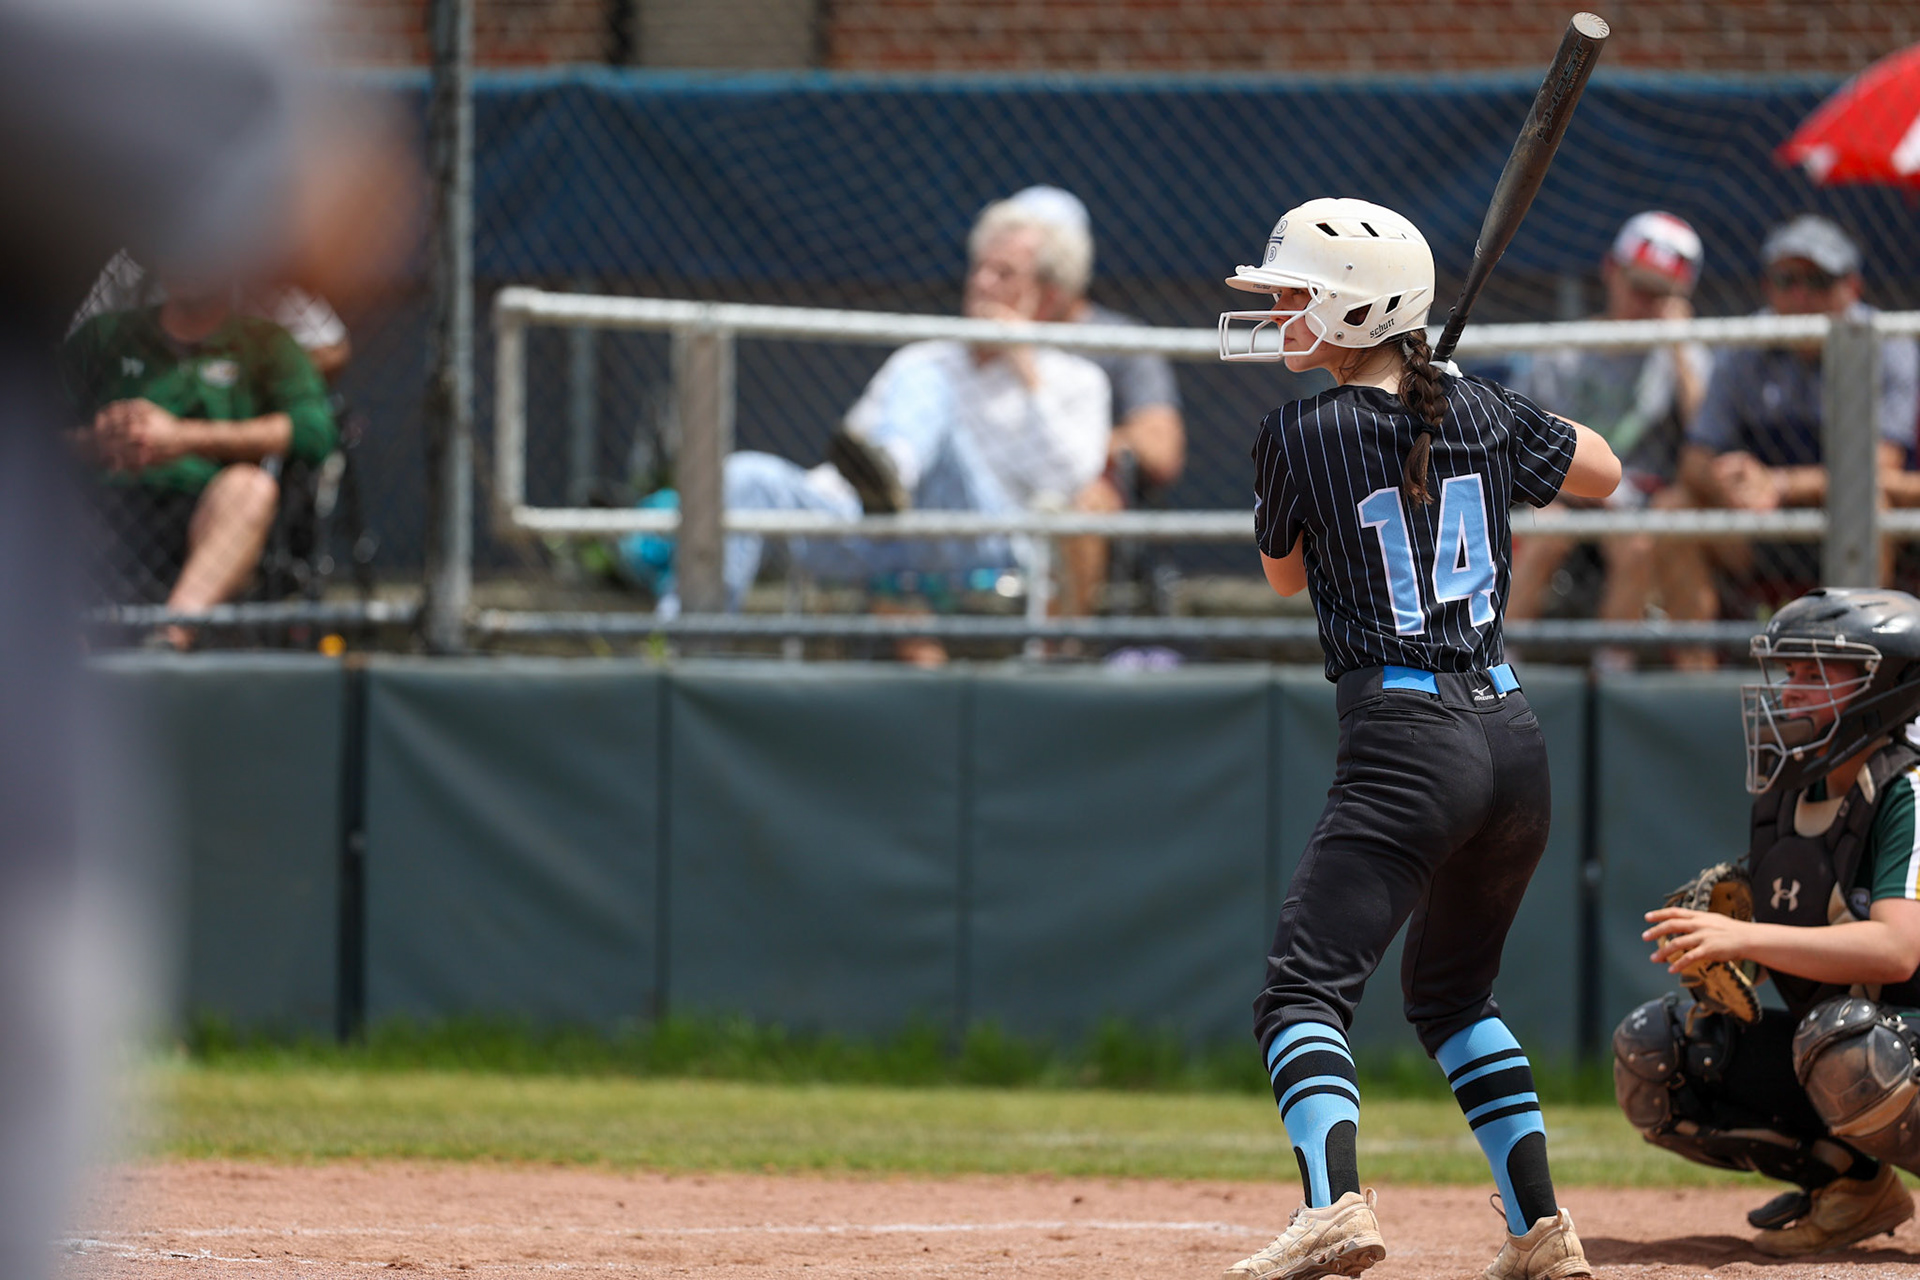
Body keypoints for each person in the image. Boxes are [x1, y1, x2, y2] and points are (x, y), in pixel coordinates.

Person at [1217, 197, 1621, 1280]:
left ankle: (1332, 1204)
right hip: (1512, 738)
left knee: (1301, 990)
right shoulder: (1481, 411)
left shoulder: (1298, 432)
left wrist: (1416, 409)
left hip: (1406, 735)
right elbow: (1605, 470)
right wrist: (1461, 402)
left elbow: (1284, 574)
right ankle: (1541, 1229)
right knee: (1451, 997)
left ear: (1361, 313)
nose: (1284, 318)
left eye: (1300, 298)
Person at [1616, 587, 1920, 1257]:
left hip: (1893, 1037)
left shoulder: (1907, 790)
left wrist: (1745, 937)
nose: (1791, 691)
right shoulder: (1790, 794)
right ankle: (1853, 1188)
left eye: (1818, 674)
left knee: (1848, 1047)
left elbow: (1899, 948)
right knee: (1662, 1056)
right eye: (1790, 672)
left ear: (1889, 685)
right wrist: (1727, 953)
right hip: (1854, 1036)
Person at [666, 194, 1110, 630]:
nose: (982, 284)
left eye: (1004, 273)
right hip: (883, 535)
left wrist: (1025, 368)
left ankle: (897, 474)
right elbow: (856, 461)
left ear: (1047, 298)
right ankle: (686, 645)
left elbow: (1070, 483)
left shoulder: (1076, 380)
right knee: (744, 477)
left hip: (982, 549)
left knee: (931, 391)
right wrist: (817, 499)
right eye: (979, 268)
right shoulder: (921, 359)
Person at [1664, 216, 1920, 625]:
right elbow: (1694, 459)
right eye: (1787, 282)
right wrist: (1732, 478)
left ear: (1851, 287)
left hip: (1849, 522)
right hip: (1759, 523)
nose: (1801, 296)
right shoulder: (1744, 343)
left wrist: (1780, 484)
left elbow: (1880, 468)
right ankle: (1697, 677)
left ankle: (1856, 663)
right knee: (1671, 507)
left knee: (1873, 503)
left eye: (1818, 281)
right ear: (1768, 288)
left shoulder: (1885, 344)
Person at [65, 270, 338, 645]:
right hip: (100, 506)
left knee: (251, 488)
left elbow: (314, 432)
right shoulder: (104, 335)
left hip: (207, 509)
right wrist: (93, 442)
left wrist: (181, 437)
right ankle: (56, 644)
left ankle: (169, 640)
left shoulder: (267, 342)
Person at [1505, 212, 1711, 653]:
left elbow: (1706, 430)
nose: (1646, 302)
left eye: (1661, 293)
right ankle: (1497, 667)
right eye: (1639, 286)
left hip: (1638, 503)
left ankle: (1612, 676)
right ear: (1612, 271)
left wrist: (1679, 344)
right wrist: (1570, 480)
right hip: (1566, 493)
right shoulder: (1566, 349)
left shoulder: (1682, 356)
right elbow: (1519, 434)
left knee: (1635, 546)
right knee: (1542, 537)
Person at [1003, 185, 1186, 616]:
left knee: (1085, 496)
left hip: (1074, 488)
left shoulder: (1120, 341)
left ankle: (1057, 655)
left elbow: (1161, 451)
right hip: (996, 480)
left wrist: (1077, 446)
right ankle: (927, 673)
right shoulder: (986, 335)